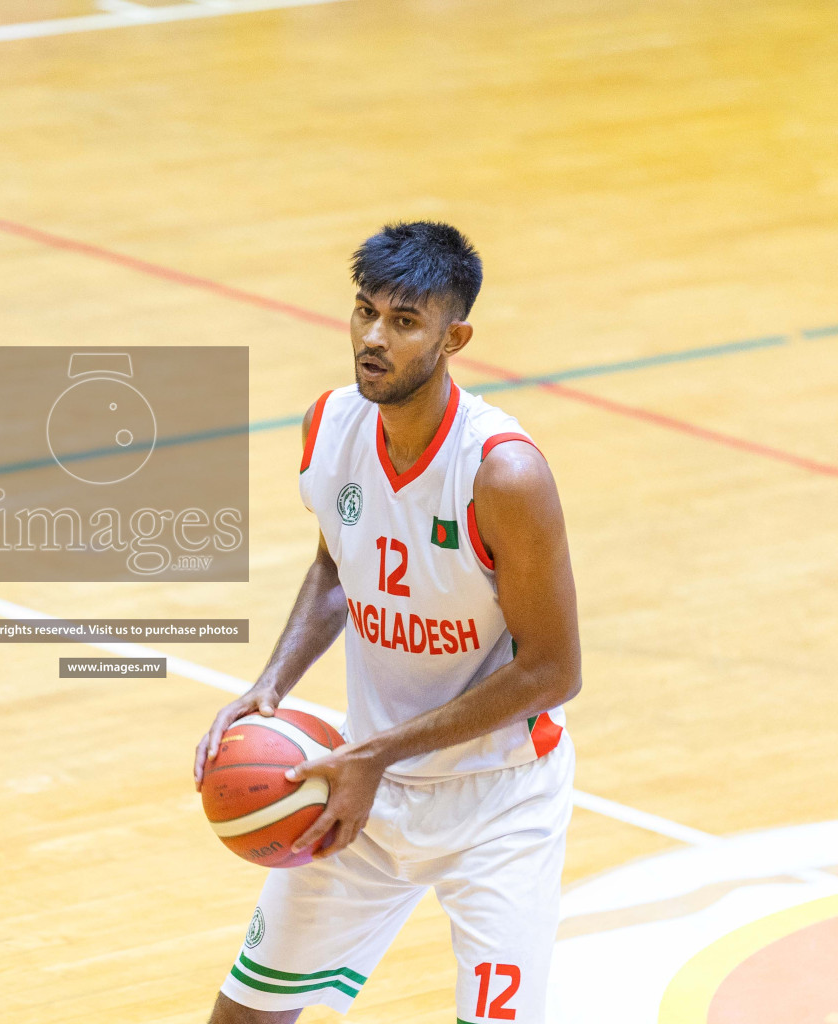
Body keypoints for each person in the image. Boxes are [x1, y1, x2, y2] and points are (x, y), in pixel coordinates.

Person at [193, 222, 581, 1023]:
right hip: (363, 794)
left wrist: (372, 753)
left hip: (499, 804)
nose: (374, 338)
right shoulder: (329, 427)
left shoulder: (502, 473)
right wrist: (270, 686)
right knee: (245, 1018)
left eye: (404, 322)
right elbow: (337, 566)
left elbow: (553, 670)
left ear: (454, 337)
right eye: (365, 311)